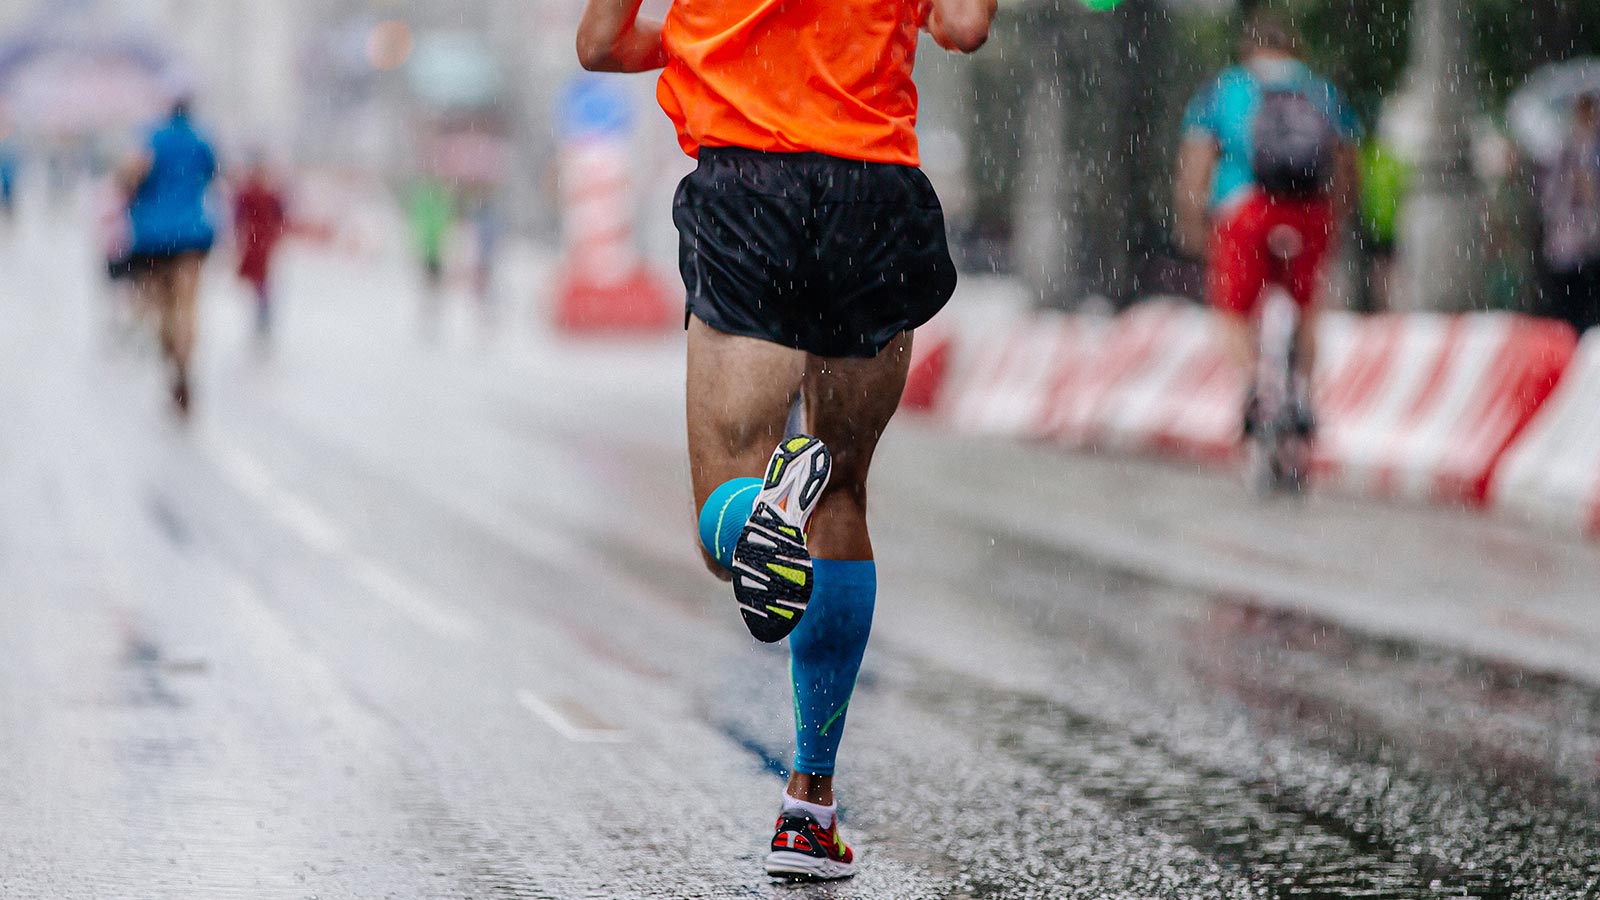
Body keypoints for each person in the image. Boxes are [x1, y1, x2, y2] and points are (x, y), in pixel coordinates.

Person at [577, 0, 993, 881]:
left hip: (748, 185)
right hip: (874, 189)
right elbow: (962, 25)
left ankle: (758, 511)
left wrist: (709, 37)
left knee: (721, 521)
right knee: (842, 492)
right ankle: (809, 808)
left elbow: (602, 44)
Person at [1173, 10, 1359, 438]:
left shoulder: (1226, 89)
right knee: (1307, 306)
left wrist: (1192, 217)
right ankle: (1304, 397)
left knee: (1233, 310)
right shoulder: (1320, 90)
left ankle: (1255, 387)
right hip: (1309, 211)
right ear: (1294, 48)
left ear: (1249, 48)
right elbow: (1347, 160)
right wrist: (1338, 212)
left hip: (1245, 210)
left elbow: (1196, 160)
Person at [118, 95, 218, 414]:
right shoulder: (202, 140)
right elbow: (212, 176)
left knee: (161, 304)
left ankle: (169, 354)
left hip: (154, 236)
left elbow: (129, 177)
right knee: (186, 305)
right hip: (192, 233)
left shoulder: (151, 138)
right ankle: (184, 360)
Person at [1537, 92, 1600, 334]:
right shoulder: (1565, 149)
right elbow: (1552, 195)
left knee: (1586, 303)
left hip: (1589, 241)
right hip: (1569, 241)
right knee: (1571, 304)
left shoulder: (1593, 148)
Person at [232, 155, 289, 339]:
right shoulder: (256, 194)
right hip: (257, 241)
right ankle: (262, 313)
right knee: (260, 281)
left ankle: (263, 314)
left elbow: (239, 217)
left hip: (259, 241)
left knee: (261, 280)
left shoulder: (257, 194)